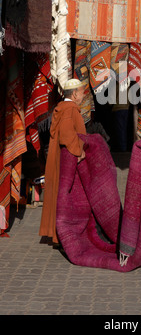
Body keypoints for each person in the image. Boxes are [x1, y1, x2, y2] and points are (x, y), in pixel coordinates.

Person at [39, 78, 87, 245]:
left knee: (56, 192)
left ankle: (54, 231)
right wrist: (80, 152)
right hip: (66, 161)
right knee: (66, 196)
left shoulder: (61, 109)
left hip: (57, 157)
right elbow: (68, 135)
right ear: (74, 94)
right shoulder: (70, 110)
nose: (83, 96)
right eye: (82, 92)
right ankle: (62, 233)